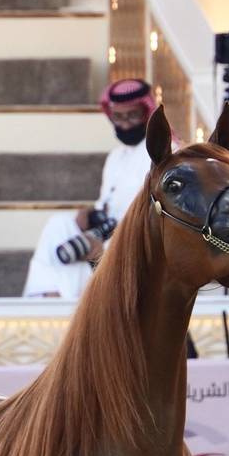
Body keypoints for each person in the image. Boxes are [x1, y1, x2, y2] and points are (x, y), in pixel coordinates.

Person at [22, 78, 155, 298]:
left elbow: (157, 216)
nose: (125, 124)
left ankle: (56, 308)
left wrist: (105, 247)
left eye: (132, 115)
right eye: (118, 117)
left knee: (77, 257)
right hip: (105, 233)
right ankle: (43, 300)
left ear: (147, 112)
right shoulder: (116, 157)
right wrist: (88, 215)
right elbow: (105, 206)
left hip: (134, 244)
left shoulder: (162, 152)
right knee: (59, 225)